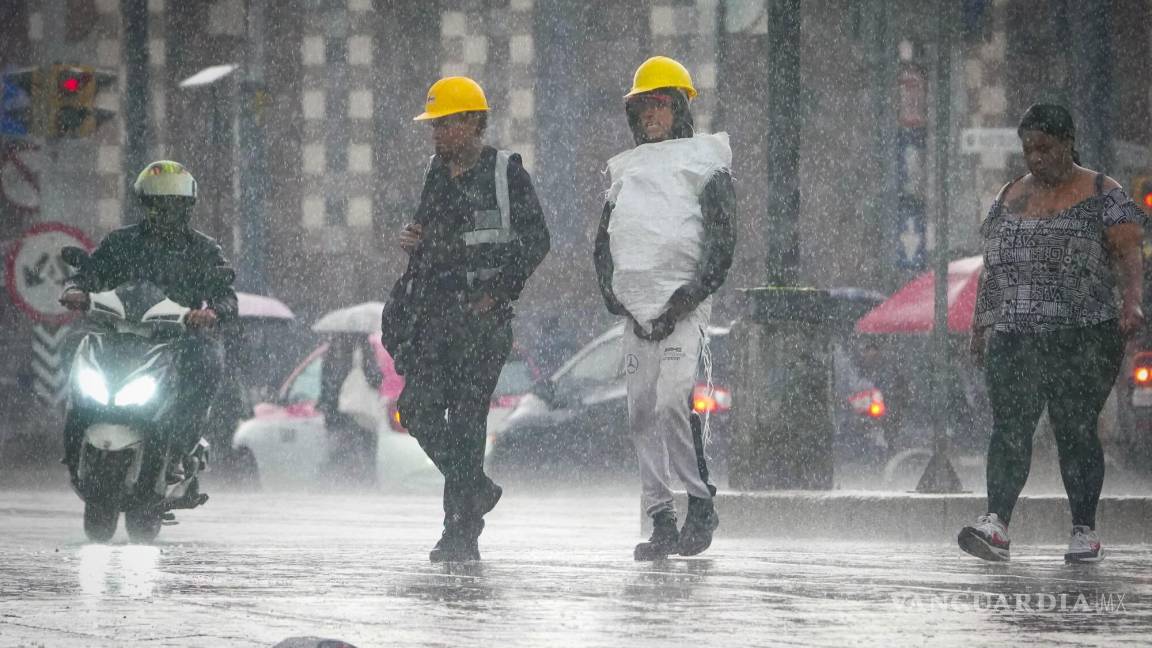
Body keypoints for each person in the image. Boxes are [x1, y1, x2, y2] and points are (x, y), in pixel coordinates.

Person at [960, 104, 1146, 563]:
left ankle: (1084, 530)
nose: (1035, 157)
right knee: (1010, 428)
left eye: (1044, 147)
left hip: (1083, 332)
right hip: (1016, 332)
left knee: (1075, 427)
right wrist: (981, 325)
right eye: (1028, 149)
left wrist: (1132, 301)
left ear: (1067, 144)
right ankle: (995, 524)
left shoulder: (1105, 191)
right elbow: (992, 269)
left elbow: (1128, 254)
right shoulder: (1008, 197)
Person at [382, 76, 550, 562]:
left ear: (473, 123)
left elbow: (537, 240)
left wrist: (498, 291)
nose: (436, 134)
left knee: (468, 423)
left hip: (483, 320)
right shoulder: (435, 173)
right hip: (436, 317)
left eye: (445, 124)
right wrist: (414, 241)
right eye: (434, 125)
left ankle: (459, 535)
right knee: (416, 410)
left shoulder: (505, 173)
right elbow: (430, 238)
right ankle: (474, 488)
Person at [593, 56, 736, 561]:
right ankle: (660, 519)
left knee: (674, 400)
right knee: (639, 412)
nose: (650, 116)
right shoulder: (624, 172)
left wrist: (686, 297)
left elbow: (721, 244)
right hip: (636, 311)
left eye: (659, 105)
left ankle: (700, 503)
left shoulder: (707, 164)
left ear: (678, 109)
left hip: (683, 307)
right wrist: (618, 298)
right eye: (643, 108)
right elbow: (604, 245)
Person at [60, 160, 237, 483]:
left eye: (175, 203)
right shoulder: (120, 243)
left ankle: (181, 448)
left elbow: (225, 294)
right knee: (72, 345)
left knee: (208, 359)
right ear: (146, 204)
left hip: (178, 338)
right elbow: (88, 273)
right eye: (159, 203)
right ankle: (74, 431)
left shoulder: (204, 249)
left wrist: (212, 313)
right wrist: (75, 290)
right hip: (118, 333)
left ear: (188, 206)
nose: (167, 211)